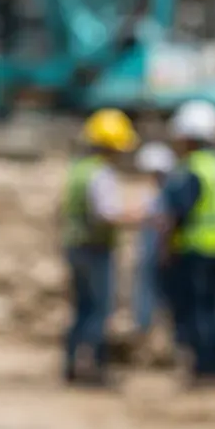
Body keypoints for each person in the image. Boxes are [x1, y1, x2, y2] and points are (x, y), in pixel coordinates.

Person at [157, 100, 215, 386]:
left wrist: (166, 247)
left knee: (198, 310)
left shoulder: (193, 168)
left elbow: (178, 212)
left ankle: (202, 370)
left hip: (196, 248)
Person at [59, 108, 140, 385]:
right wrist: (137, 217)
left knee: (81, 308)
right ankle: (92, 368)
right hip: (95, 248)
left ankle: (71, 364)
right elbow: (106, 213)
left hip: (75, 247)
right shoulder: (101, 174)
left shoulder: (79, 169)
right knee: (98, 310)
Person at [130, 141, 176, 338]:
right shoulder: (163, 191)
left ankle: (150, 330)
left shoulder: (168, 192)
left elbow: (165, 222)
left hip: (158, 249)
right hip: (155, 248)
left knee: (154, 291)